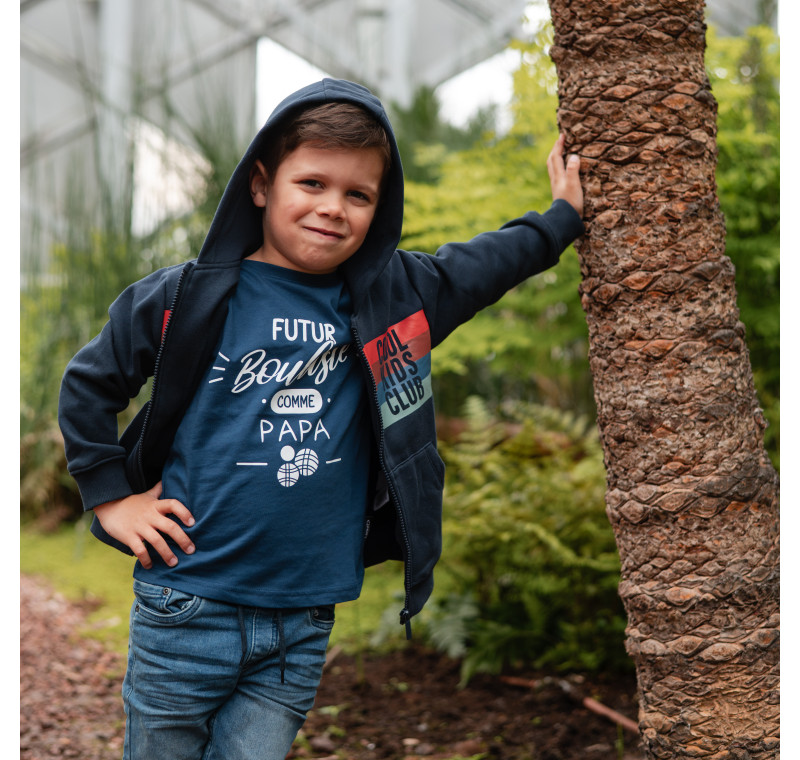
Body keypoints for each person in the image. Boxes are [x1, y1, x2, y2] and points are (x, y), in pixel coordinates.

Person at [58, 78, 584, 759]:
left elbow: (485, 265)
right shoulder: (184, 298)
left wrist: (562, 217)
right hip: (186, 605)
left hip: (302, 622)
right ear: (261, 185)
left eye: (357, 195)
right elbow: (88, 385)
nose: (333, 207)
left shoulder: (398, 299)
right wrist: (111, 498)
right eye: (311, 183)